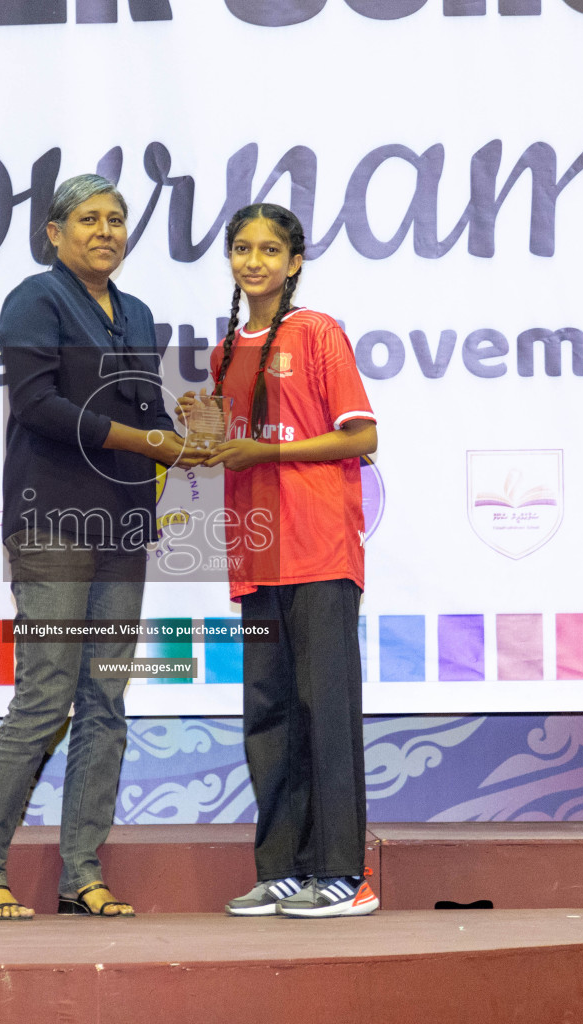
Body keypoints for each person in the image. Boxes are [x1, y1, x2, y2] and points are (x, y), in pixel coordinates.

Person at [0, 175, 197, 921]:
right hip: (53, 521)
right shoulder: (36, 299)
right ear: (53, 234)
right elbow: (38, 404)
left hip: (123, 525)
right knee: (45, 696)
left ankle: (81, 875)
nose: (106, 230)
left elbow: (149, 409)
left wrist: (191, 435)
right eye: (89, 219)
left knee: (106, 701)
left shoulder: (139, 311)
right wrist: (141, 437)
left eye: (117, 219)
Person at [181, 203, 380, 918]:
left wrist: (268, 451)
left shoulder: (319, 333)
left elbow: (361, 438)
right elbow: (233, 444)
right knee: (268, 716)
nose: (254, 261)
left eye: (270, 249)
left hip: (320, 551)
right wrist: (201, 439)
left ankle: (344, 874)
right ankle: (284, 871)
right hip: (256, 554)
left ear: (294, 262)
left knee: (323, 710)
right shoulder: (226, 351)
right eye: (242, 248)